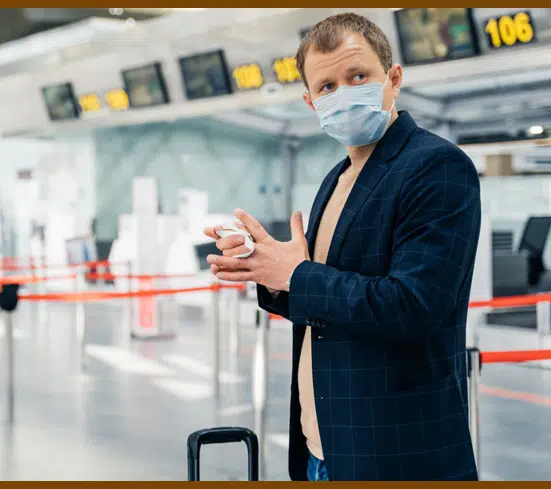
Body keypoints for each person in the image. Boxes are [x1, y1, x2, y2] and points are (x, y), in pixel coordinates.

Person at [203, 12, 481, 481]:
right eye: (327, 87)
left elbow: (415, 306)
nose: (343, 93)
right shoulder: (337, 179)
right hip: (325, 445)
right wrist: (266, 268)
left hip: (395, 451)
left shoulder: (437, 167)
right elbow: (326, 299)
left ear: (393, 79)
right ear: (311, 104)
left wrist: (296, 274)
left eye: (358, 76)